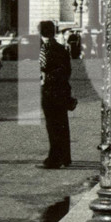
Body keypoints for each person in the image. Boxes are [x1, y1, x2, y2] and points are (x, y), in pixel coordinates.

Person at [37, 20, 73, 169]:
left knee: (52, 126)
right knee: (63, 124)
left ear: (40, 32)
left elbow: (44, 69)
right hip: (62, 90)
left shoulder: (44, 49)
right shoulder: (62, 48)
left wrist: (45, 78)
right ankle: (65, 157)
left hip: (50, 91)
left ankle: (54, 158)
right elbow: (67, 71)